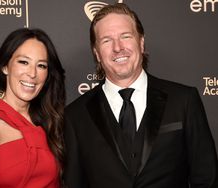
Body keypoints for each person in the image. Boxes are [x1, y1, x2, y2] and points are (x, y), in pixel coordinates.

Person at [64, 3, 218, 188]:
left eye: (126, 36)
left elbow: (206, 179)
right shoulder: (75, 116)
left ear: (141, 42)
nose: (118, 47)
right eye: (106, 40)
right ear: (96, 53)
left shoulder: (183, 100)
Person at [0, 28, 65, 188]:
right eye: (23, 62)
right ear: (5, 66)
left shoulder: (51, 122)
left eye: (41, 66)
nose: (32, 73)